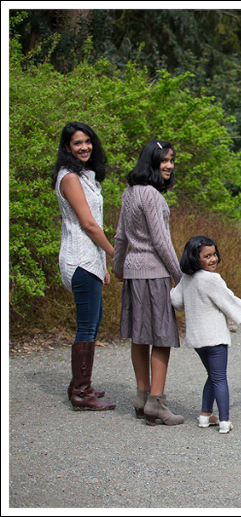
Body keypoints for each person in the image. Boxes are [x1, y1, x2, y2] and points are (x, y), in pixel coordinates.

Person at [113, 139, 184, 426]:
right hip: (154, 273)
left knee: (139, 336)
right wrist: (180, 276)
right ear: (151, 162)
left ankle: (141, 398)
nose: (169, 165)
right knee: (162, 338)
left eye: (171, 160)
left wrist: (118, 267)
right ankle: (156, 402)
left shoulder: (129, 192)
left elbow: (120, 236)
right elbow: (161, 242)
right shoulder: (153, 195)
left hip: (133, 272)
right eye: (163, 160)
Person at [52, 122, 117, 411]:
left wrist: (102, 264)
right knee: (87, 326)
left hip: (90, 260)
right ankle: (81, 392)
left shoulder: (85, 175)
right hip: (79, 259)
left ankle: (79, 384)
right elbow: (89, 225)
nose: (84, 147)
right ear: (67, 147)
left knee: (94, 320)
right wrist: (115, 254)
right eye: (77, 143)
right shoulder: (69, 178)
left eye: (87, 141)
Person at [171, 236, 241, 434]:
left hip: (198, 339)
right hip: (215, 338)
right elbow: (228, 300)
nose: (213, 259)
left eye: (214, 254)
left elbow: (177, 302)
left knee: (212, 375)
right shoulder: (212, 279)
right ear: (195, 258)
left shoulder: (187, 278)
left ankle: (205, 415)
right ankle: (224, 420)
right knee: (219, 378)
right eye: (207, 256)